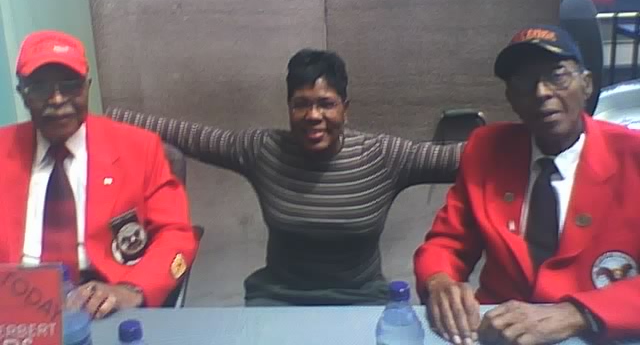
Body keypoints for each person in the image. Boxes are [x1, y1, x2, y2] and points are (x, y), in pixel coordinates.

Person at [108, 48, 464, 306]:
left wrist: (516, 138)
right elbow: (189, 135)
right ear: (289, 108)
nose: (313, 115)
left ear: (345, 108)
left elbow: (459, 158)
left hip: (361, 298)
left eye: (326, 103)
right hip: (279, 298)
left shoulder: (384, 156)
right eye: (300, 104)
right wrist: (101, 117)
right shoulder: (263, 149)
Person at [414, 25, 640, 344]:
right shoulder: (487, 147)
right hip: (500, 330)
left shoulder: (633, 156)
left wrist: (578, 313)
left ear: (587, 85)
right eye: (523, 82)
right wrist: (439, 281)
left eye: (557, 75)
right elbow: (448, 241)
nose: (541, 92)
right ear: (511, 99)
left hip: (597, 332)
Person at [0, 30, 197, 318]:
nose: (56, 99)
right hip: (13, 303)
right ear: (23, 95)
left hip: (104, 299)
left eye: (69, 85)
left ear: (87, 87)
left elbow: (176, 235)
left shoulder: (139, 148)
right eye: (41, 88)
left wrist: (133, 288)